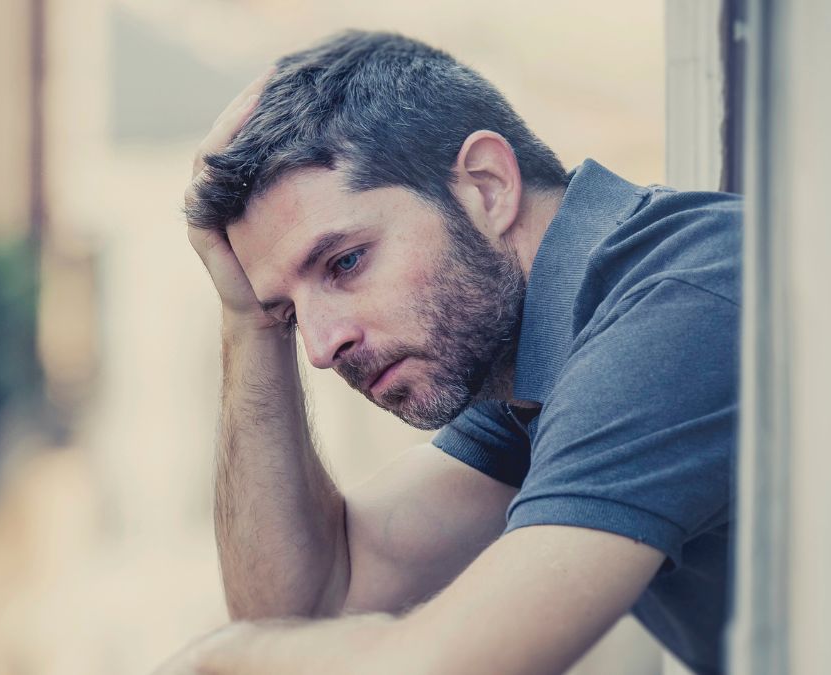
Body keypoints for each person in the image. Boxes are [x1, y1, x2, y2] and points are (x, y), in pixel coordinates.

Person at [162, 30, 739, 675]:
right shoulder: (532, 364)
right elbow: (308, 602)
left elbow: (444, 665)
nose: (322, 349)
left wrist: (216, 662)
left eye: (346, 261)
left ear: (487, 186)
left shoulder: (673, 309)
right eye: (291, 312)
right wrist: (250, 320)